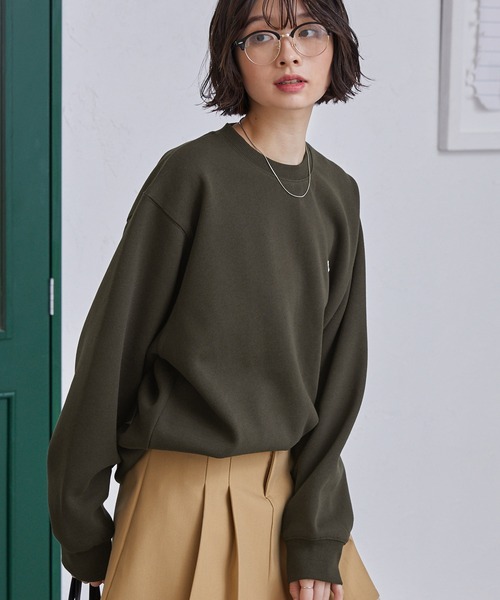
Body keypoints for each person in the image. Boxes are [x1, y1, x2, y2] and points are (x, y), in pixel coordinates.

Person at [48, 0, 379, 599]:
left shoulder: (338, 194)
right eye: (261, 36)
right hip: (181, 494)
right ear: (232, 57)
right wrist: (82, 524)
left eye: (308, 31)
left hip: (292, 497)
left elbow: (337, 378)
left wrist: (316, 532)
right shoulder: (190, 175)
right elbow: (111, 353)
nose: (288, 53)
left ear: (336, 47)